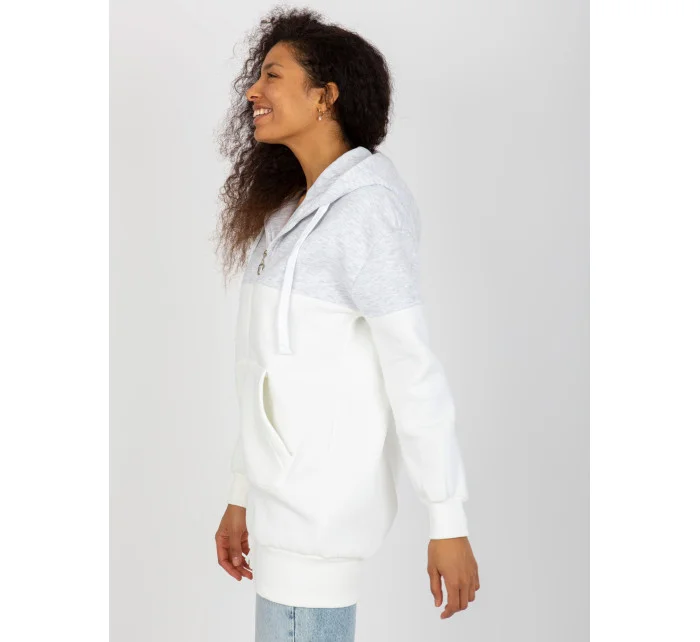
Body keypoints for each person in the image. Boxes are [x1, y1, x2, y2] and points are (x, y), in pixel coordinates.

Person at [213, 7, 479, 641]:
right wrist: (241, 493)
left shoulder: (367, 211)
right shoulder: (285, 214)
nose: (253, 91)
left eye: (273, 75)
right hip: (278, 528)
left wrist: (447, 521)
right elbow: (264, 372)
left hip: (320, 538)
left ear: (325, 97)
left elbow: (411, 369)